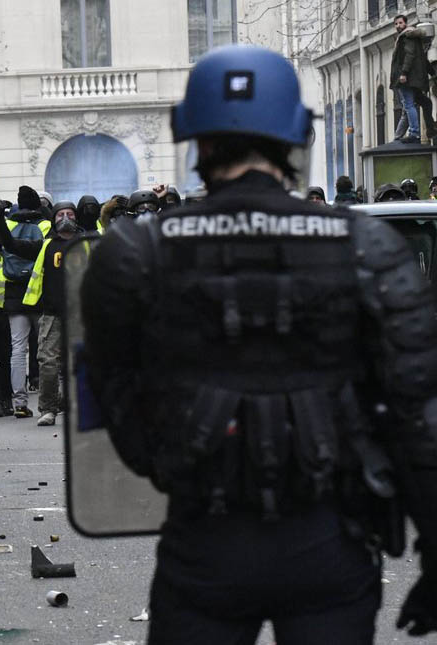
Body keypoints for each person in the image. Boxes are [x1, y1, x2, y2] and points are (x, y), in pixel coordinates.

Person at [81, 44, 437, 644]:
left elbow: (111, 394)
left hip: (204, 537)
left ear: (195, 139)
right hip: (332, 539)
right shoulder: (366, 246)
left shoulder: (135, 252)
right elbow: (420, 413)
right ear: (295, 137)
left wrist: (174, 460)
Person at [0, 200, 85, 426]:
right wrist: (0, 217)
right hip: (52, 314)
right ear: (53, 220)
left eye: (70, 214)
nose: (66, 218)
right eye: (60, 214)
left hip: (79, 315)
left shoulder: (85, 243)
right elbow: (11, 244)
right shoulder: (45, 246)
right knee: (47, 362)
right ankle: (48, 409)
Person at [0, 187, 52, 419]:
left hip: (13, 295)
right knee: (46, 350)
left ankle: (19, 401)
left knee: (17, 349)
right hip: (40, 295)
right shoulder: (45, 226)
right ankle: (47, 400)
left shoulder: (8, 226)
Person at [392, 14, 426, 144]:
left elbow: (409, 56)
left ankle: (414, 132)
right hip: (412, 78)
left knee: (408, 105)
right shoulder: (408, 36)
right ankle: (398, 136)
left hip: (406, 78)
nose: (398, 26)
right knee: (406, 107)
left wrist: (403, 73)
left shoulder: (407, 36)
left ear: (405, 23)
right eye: (396, 24)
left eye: (400, 23)